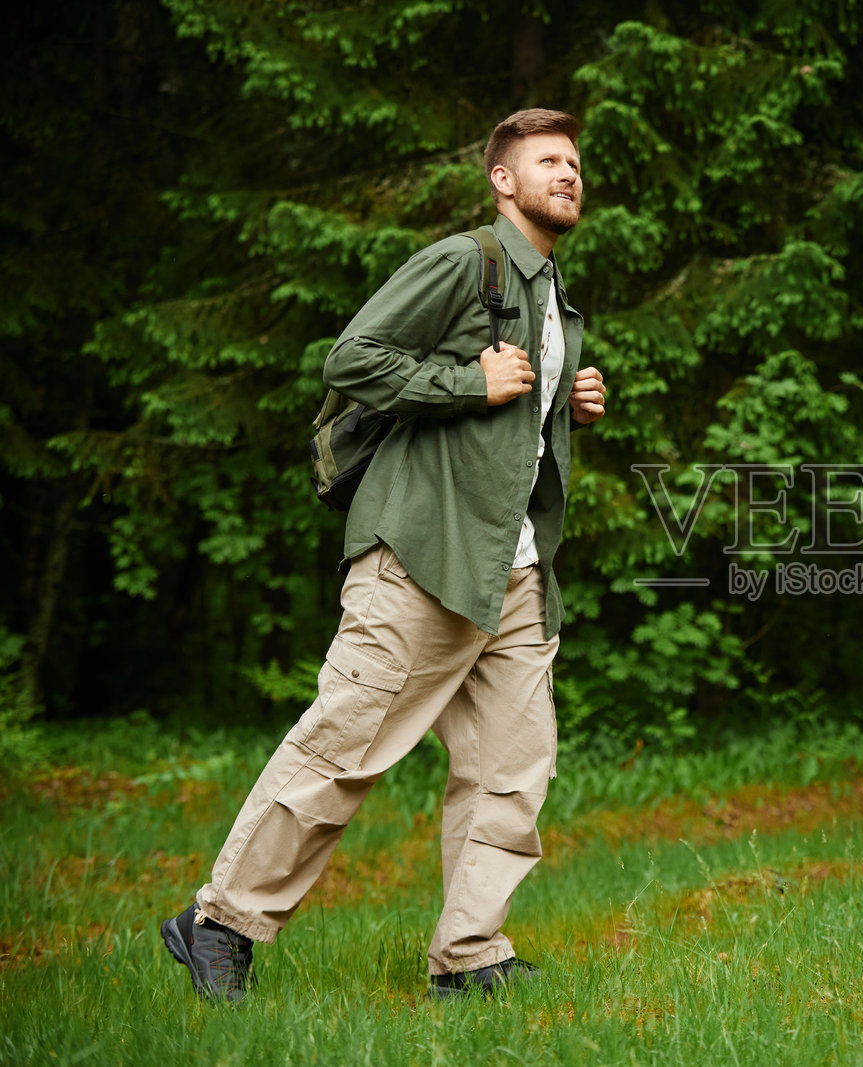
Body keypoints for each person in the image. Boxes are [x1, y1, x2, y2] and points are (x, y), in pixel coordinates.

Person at [160, 107, 606, 1002]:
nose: (568, 174)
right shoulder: (464, 261)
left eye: (574, 163)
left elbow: (513, 420)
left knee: (510, 772)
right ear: (502, 180)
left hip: (514, 572)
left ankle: (470, 953)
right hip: (423, 556)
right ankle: (221, 920)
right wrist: (464, 382)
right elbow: (352, 357)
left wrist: (571, 401)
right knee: (344, 745)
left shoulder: (554, 298)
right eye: (547, 161)